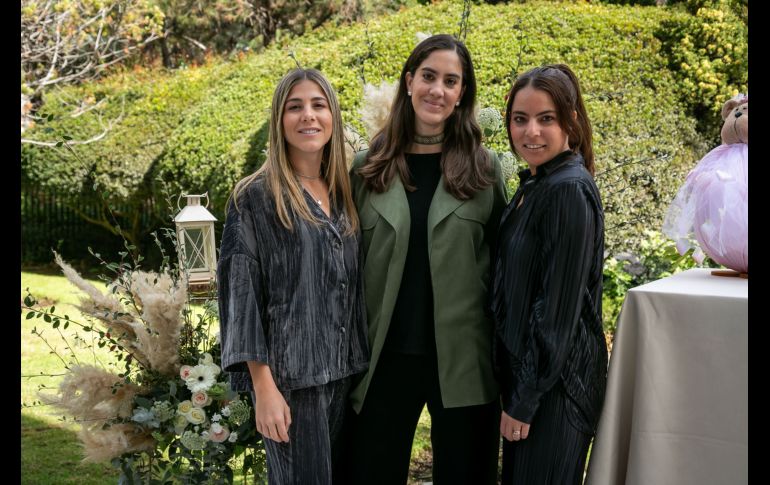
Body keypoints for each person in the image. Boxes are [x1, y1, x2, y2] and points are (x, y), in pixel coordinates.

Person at [345, 34, 508, 485]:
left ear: (461, 95)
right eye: (429, 76)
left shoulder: (484, 170)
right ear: (410, 81)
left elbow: (501, 267)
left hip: (464, 359)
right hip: (383, 358)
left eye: (451, 81)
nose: (437, 89)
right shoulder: (366, 167)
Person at [217, 68, 369, 485]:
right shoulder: (255, 197)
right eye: (295, 107)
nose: (308, 116)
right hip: (293, 384)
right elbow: (240, 298)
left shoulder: (344, 191)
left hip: (347, 375)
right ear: (279, 120)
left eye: (319, 105)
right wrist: (263, 388)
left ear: (333, 117)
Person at [492, 63, 608, 484]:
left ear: (571, 123)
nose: (530, 133)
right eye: (520, 120)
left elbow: (556, 312)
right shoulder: (536, 184)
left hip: (554, 392)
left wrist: (524, 401)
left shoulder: (568, 191)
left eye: (546, 119)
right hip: (532, 382)